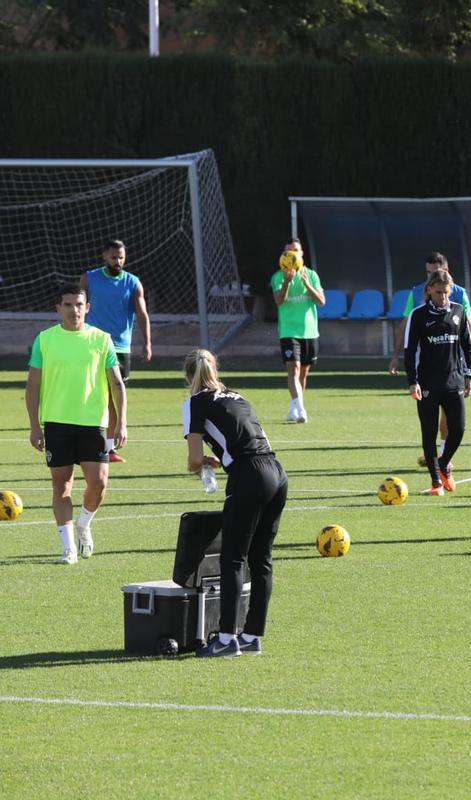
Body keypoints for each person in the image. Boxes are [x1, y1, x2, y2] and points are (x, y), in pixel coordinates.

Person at [183, 349, 288, 657]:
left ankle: (227, 639)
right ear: (216, 371)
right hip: (277, 473)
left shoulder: (194, 403)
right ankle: (252, 636)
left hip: (249, 476)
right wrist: (223, 460)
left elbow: (192, 460)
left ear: (188, 377)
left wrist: (202, 462)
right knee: (261, 559)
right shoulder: (238, 397)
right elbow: (249, 439)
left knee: (232, 558)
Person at [24, 284, 126, 564]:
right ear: (58, 308)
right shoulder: (45, 340)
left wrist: (122, 422)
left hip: (93, 423)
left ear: (87, 308)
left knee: (99, 483)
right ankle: (68, 548)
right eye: (68, 305)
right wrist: (35, 425)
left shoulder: (102, 339)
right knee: (62, 486)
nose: (74, 310)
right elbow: (33, 386)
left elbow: (117, 383)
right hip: (56, 423)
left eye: (79, 304)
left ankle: (84, 522)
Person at [390, 252, 471, 467]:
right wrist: (395, 355)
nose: (429, 276)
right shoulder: (417, 293)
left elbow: (467, 328)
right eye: (427, 273)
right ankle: (437, 461)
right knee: (431, 417)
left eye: (433, 272)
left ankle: (444, 453)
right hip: (425, 366)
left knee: (452, 414)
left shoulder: (460, 295)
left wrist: (464, 362)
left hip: (452, 365)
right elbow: (406, 326)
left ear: (446, 271)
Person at [403, 269, 471, 496]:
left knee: (459, 429)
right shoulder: (418, 315)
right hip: (427, 384)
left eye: (446, 292)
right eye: (438, 292)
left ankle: (443, 463)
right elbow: (410, 350)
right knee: (429, 433)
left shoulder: (458, 311)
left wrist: (469, 375)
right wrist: (412, 382)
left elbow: (467, 346)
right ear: (429, 291)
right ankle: (436, 483)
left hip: (454, 381)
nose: (442, 297)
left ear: (450, 291)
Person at [79, 239, 151, 463]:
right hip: (91, 345)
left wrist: (147, 342)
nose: (117, 261)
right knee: (88, 395)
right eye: (113, 257)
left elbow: (141, 314)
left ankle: (107, 450)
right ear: (104, 256)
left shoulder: (133, 282)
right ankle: (82, 444)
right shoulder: (89, 278)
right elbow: (76, 308)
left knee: (113, 397)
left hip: (119, 347)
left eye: (121, 257)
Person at [270, 238, 325, 423]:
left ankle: (295, 406)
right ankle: (300, 408)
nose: (291, 254)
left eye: (295, 250)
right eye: (287, 252)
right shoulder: (278, 277)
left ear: (301, 254)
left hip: (309, 331)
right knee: (293, 368)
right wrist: (287, 282)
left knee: (303, 372)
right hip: (289, 331)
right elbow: (279, 300)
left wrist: (307, 284)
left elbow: (321, 301)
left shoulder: (312, 275)